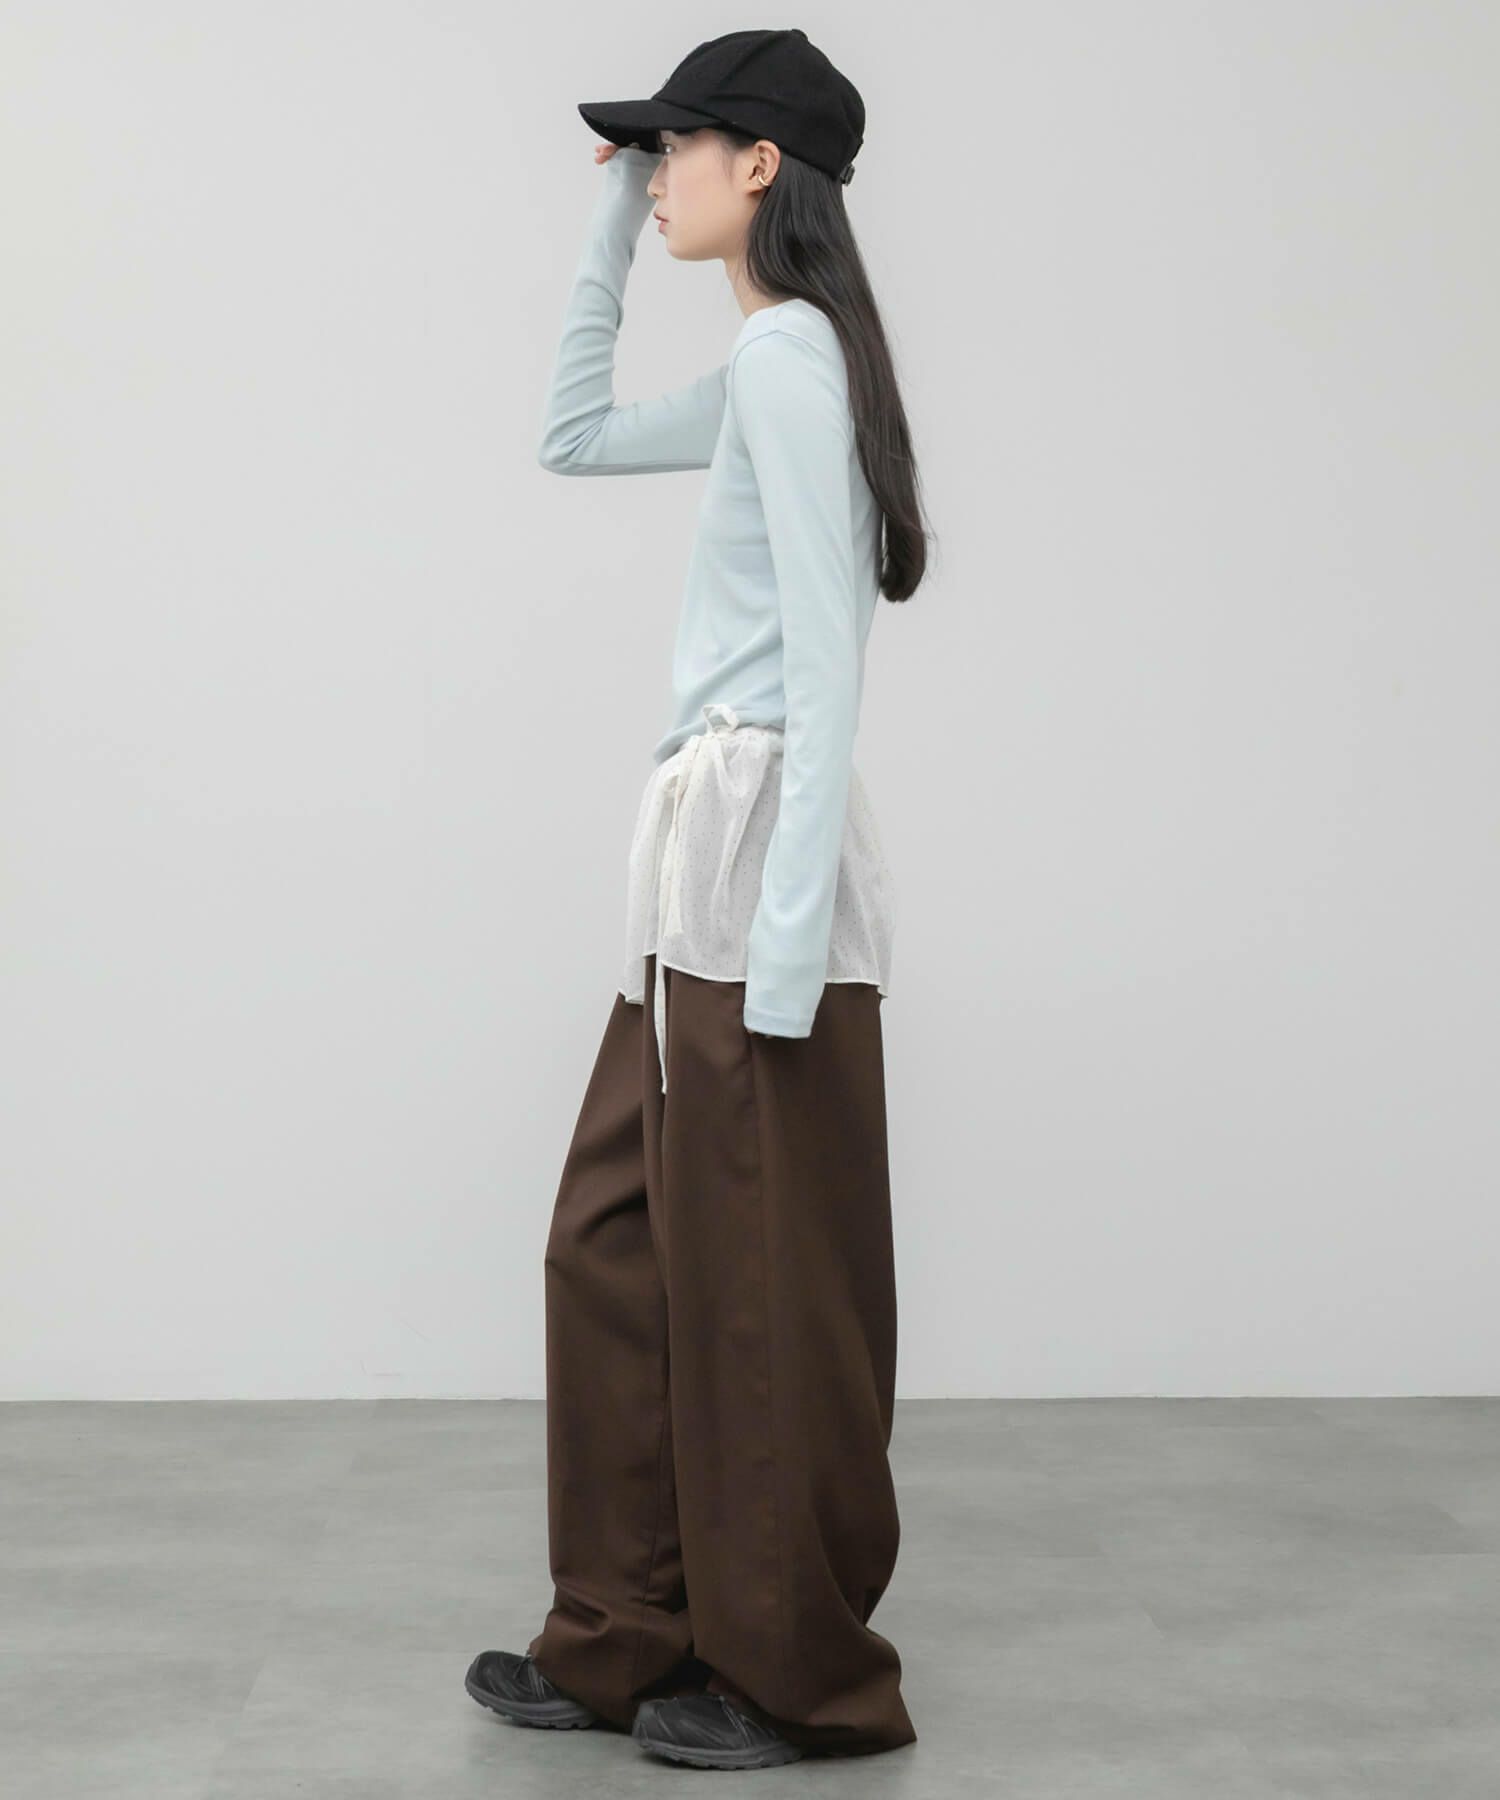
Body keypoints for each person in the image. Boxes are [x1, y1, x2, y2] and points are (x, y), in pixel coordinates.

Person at [465, 28, 932, 1772]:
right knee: (616, 1249)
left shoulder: (796, 363)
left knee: (754, 1286)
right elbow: (572, 435)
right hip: (692, 884)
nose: (657, 171)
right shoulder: (764, 364)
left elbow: (826, 671)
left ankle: (800, 1677)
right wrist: (606, 225)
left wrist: (790, 956)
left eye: (676, 148)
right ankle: (625, 1634)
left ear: (761, 167)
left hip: (755, 873)